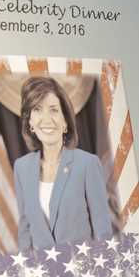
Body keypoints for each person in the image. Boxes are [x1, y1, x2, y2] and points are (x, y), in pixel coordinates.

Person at [13, 76, 112, 251]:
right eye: (37, 109)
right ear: (30, 123)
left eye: (53, 110)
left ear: (65, 121)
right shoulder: (21, 168)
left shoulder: (87, 164)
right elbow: (25, 231)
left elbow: (103, 233)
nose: (46, 119)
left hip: (83, 271)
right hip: (43, 275)